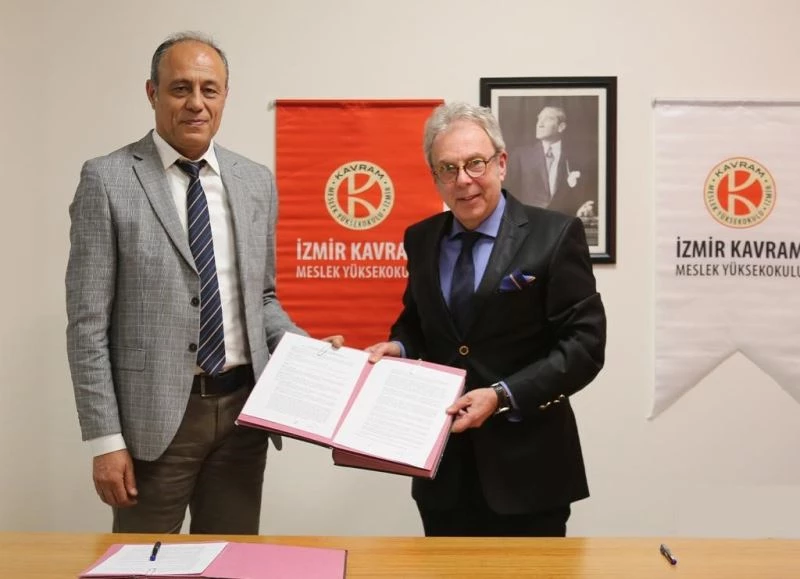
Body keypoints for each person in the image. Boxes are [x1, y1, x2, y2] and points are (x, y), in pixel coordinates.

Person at [66, 31, 341, 534]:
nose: (196, 103)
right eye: (180, 88)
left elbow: (261, 298)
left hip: (244, 416)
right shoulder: (107, 180)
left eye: (209, 89)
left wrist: (311, 354)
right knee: (142, 564)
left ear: (224, 96)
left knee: (233, 558)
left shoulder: (254, 180)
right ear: (152, 93)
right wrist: (105, 440)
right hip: (154, 423)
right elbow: (87, 326)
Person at [367, 102, 606, 537]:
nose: (463, 180)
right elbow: (417, 322)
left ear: (501, 163)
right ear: (435, 177)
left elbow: (584, 347)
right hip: (443, 475)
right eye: (448, 168)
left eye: (475, 163)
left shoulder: (555, 235)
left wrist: (501, 395)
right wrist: (398, 346)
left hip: (531, 473)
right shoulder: (421, 239)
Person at [506, 105, 595, 218]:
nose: (540, 124)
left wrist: (583, 207)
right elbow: (508, 194)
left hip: (564, 222)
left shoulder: (576, 158)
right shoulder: (520, 156)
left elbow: (585, 195)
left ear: (561, 127)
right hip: (528, 223)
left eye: (547, 119)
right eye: (539, 119)